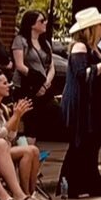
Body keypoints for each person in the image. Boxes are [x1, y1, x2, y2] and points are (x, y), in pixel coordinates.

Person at [59, 7, 101, 198]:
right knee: (79, 144)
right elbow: (83, 74)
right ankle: (71, 184)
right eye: (100, 25)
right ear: (91, 28)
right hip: (81, 105)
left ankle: (91, 183)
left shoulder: (95, 48)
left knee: (92, 145)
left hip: (94, 104)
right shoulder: (79, 48)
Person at [0, 70, 47, 200]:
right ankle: (23, 194)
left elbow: (11, 135)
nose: (8, 85)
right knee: (28, 151)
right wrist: (14, 117)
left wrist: (17, 116)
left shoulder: (2, 107)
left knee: (34, 150)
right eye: (4, 83)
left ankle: (31, 192)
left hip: (5, 147)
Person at [12, 10, 62, 142]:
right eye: (41, 21)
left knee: (53, 113)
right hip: (27, 86)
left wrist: (46, 83)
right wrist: (37, 81)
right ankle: (26, 149)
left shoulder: (45, 43)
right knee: (30, 122)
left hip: (44, 87)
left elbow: (51, 67)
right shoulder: (20, 41)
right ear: (31, 24)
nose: (45, 23)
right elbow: (20, 65)